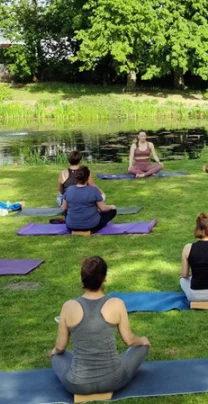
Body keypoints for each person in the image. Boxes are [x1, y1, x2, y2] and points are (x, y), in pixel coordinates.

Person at [51, 256, 150, 396]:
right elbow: (129, 340)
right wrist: (143, 340)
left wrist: (54, 352)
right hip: (113, 380)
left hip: (78, 384)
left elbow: (60, 347)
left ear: (82, 279)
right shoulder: (116, 304)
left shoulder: (68, 307)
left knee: (56, 356)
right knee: (142, 347)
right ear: (105, 278)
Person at [61, 167, 117, 233]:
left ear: (76, 178)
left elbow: (64, 208)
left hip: (71, 226)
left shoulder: (69, 189)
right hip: (92, 225)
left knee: (66, 212)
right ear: (88, 178)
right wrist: (112, 207)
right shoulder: (94, 190)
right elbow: (103, 208)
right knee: (113, 211)